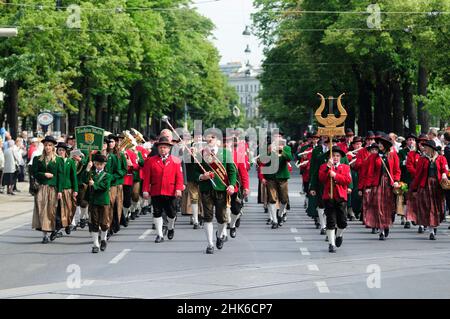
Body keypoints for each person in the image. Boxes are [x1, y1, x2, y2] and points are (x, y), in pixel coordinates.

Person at [195, 131, 237, 254]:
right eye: (208, 137)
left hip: (221, 189)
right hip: (206, 189)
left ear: (218, 140)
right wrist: (202, 176)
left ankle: (219, 235)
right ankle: (210, 244)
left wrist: (231, 185)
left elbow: (232, 171)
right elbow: (194, 172)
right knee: (207, 217)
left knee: (222, 218)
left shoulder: (226, 153)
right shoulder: (201, 154)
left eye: (212, 137)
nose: (210, 139)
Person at [142, 136, 184, 243]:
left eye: (165, 147)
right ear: (158, 148)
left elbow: (179, 177)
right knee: (157, 212)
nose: (163, 149)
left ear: (169, 149)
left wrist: (178, 188)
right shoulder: (151, 161)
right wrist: (145, 190)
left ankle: (170, 227)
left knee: (171, 214)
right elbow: (147, 177)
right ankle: (159, 235)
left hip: (171, 191)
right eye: (161, 147)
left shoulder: (176, 161)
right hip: (156, 190)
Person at [364, 132, 401, 240]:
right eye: (379, 143)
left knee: (389, 207)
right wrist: (368, 187)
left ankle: (387, 224)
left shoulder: (393, 155)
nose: (379, 145)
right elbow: (370, 173)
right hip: (378, 184)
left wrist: (397, 181)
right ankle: (381, 230)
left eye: (381, 143)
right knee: (378, 207)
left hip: (389, 184)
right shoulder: (373, 157)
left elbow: (397, 170)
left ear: (386, 145)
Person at [410, 140, 448, 240]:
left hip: (437, 186)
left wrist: (444, 174)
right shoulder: (422, 159)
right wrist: (414, 188)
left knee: (437, 207)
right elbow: (418, 175)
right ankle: (431, 230)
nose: (424, 149)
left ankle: (434, 224)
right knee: (428, 207)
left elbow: (445, 169)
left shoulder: (441, 158)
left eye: (426, 147)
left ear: (431, 149)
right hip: (425, 186)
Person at [318, 147, 352, 253]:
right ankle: (331, 244)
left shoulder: (345, 167)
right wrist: (328, 168)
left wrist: (336, 175)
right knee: (331, 221)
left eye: (337, 156)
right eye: (333, 156)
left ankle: (339, 235)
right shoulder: (324, 166)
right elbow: (321, 178)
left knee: (342, 222)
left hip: (341, 197)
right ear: (329, 157)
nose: (335, 158)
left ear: (341, 157)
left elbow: (347, 180)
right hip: (329, 197)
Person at [31, 136, 63, 243]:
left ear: (53, 147)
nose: (47, 147)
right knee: (42, 211)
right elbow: (34, 173)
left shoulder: (59, 160)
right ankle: (44, 235)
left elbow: (60, 176)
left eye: (50, 145)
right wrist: (44, 174)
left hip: (53, 189)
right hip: (41, 188)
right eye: (46, 145)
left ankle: (53, 230)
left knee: (51, 211)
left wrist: (60, 191)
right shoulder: (37, 159)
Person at [84, 153, 112, 253]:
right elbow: (83, 179)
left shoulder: (107, 176)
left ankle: (103, 239)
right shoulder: (91, 173)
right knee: (94, 223)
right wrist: (87, 169)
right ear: (94, 163)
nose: (99, 166)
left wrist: (94, 184)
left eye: (101, 164)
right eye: (97, 164)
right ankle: (95, 244)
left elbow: (105, 187)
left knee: (104, 223)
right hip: (93, 201)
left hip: (104, 201)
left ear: (104, 165)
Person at [56, 142, 78, 235]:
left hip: (68, 188)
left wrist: (75, 189)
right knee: (59, 209)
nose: (61, 152)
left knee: (70, 208)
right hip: (57, 189)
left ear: (66, 151)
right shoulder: (55, 161)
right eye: (59, 150)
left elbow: (74, 176)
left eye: (62, 150)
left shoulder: (70, 161)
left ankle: (68, 223)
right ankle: (59, 226)